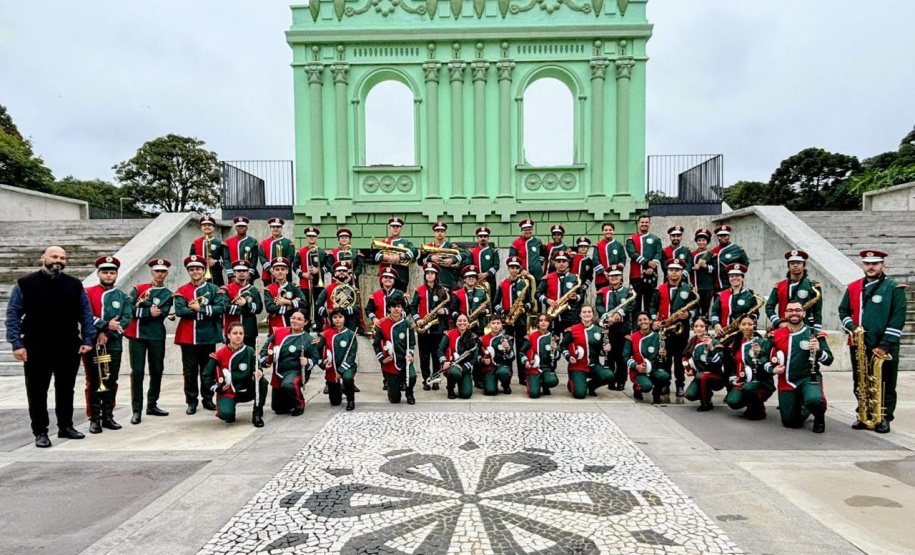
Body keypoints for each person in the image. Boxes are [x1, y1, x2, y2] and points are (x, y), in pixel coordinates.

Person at [6, 246, 96, 448]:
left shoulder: (74, 284)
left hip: (68, 345)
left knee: (66, 389)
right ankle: (40, 431)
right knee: (37, 391)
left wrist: (87, 339)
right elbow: (13, 315)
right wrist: (16, 344)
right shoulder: (25, 284)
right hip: (36, 346)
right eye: (54, 256)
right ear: (43, 258)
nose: (59, 260)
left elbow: (85, 313)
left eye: (63, 257)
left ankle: (66, 426)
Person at [838, 249, 907, 433]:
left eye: (875, 263)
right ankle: (863, 413)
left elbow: (898, 317)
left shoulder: (894, 288)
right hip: (859, 344)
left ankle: (884, 417)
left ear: (883, 265)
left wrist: (885, 345)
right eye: (867, 264)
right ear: (863, 265)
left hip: (885, 345)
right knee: (860, 381)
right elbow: (843, 311)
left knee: (886, 382)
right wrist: (852, 328)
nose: (870, 267)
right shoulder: (852, 287)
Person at [765, 301, 833, 433]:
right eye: (790, 310)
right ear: (785, 314)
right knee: (790, 423)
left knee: (814, 399)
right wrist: (771, 369)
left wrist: (818, 351)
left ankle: (819, 416)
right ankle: (805, 405)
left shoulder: (815, 334)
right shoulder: (776, 334)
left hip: (808, 378)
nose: (794, 313)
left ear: (804, 313)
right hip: (786, 380)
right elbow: (763, 356)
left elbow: (829, 360)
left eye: (797, 310)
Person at [83, 256, 133, 434]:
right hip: (91, 342)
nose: (109, 275)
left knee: (111, 380)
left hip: (113, 344)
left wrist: (108, 332)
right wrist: (104, 325)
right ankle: (94, 418)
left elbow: (126, 319)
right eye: (105, 272)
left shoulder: (123, 296)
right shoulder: (87, 293)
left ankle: (108, 415)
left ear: (116, 274)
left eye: (112, 272)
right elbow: (84, 316)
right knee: (95, 381)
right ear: (98, 273)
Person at [174, 255, 229, 415]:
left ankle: (207, 398)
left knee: (208, 370)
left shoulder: (214, 289)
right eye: (192, 269)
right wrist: (202, 311)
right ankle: (191, 401)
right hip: (188, 337)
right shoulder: (182, 290)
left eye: (198, 269)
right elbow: (179, 311)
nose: (195, 272)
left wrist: (200, 309)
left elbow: (221, 308)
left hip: (208, 335)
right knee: (189, 371)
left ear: (204, 271)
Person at [125, 258, 174, 424]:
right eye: (156, 271)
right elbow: (128, 307)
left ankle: (152, 404)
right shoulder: (138, 288)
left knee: (157, 370)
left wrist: (148, 309)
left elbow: (162, 313)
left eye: (163, 271)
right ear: (151, 272)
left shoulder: (168, 294)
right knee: (137, 372)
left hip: (156, 335)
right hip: (137, 335)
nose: (159, 274)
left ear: (166, 273)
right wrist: (146, 312)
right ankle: (136, 409)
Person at [203, 322, 267, 427]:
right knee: (226, 415)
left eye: (241, 333)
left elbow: (257, 367)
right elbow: (206, 375)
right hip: (228, 390)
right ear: (228, 335)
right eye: (235, 333)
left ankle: (257, 413)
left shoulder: (250, 351)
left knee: (263, 382)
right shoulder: (219, 354)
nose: (238, 336)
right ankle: (230, 408)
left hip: (246, 389)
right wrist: (217, 388)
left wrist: (258, 372)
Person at [650, 259, 697, 398]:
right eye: (671, 270)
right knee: (665, 358)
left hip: (681, 329)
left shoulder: (688, 289)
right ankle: (665, 384)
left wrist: (688, 314)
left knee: (679, 359)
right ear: (667, 272)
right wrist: (654, 320)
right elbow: (653, 306)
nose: (674, 273)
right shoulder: (659, 289)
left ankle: (680, 385)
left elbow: (696, 308)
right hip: (665, 329)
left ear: (682, 272)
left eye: (677, 270)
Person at [260, 310, 318, 416]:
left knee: (288, 384)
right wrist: (265, 360)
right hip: (279, 372)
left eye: (299, 319)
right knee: (278, 409)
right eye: (293, 318)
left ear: (305, 323)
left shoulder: (309, 339)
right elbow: (266, 347)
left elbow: (316, 358)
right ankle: (290, 400)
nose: (295, 321)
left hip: (296, 371)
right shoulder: (278, 332)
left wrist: (308, 361)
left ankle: (299, 404)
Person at [711, 263, 759, 378]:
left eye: (738, 275)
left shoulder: (750, 295)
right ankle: (730, 390)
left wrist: (748, 323)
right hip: (726, 335)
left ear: (742, 277)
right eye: (731, 276)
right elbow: (714, 312)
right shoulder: (722, 295)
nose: (734, 278)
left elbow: (756, 314)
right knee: (727, 364)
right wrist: (716, 325)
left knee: (741, 362)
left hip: (743, 335)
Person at [494, 256, 535, 386]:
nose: (514, 270)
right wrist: (502, 311)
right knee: (508, 349)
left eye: (516, 268)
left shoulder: (524, 284)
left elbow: (530, 303)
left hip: (521, 321)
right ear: (508, 269)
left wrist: (524, 308)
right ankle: (508, 376)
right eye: (512, 268)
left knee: (521, 349)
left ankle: (523, 377)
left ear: (519, 269)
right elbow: (495, 303)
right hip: (507, 321)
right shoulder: (502, 284)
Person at [723, 314, 773, 420]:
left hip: (760, 381)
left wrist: (760, 353)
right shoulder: (736, 342)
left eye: (750, 324)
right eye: (743, 324)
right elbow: (734, 365)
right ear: (739, 326)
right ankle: (752, 405)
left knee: (749, 388)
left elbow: (768, 362)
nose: (746, 327)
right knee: (733, 402)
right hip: (742, 380)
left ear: (754, 325)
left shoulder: (760, 342)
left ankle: (760, 408)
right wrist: (733, 380)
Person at [410, 262, 450, 391]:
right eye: (427, 273)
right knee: (424, 356)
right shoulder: (419, 290)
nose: (429, 275)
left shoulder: (442, 290)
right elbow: (412, 307)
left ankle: (435, 379)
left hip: (437, 329)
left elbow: (450, 307)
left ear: (436, 275)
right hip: (423, 328)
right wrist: (418, 319)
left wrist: (444, 311)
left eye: (432, 273)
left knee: (436, 356)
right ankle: (426, 380)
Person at [595, 264, 634, 391]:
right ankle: (611, 380)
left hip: (623, 328)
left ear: (621, 276)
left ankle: (621, 380)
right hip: (609, 328)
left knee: (622, 356)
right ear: (608, 277)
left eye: (616, 275)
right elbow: (599, 305)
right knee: (610, 355)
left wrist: (619, 314)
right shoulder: (603, 291)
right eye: (611, 276)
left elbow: (632, 305)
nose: (614, 278)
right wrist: (606, 315)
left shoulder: (628, 291)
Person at [561, 305, 614, 399]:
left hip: (593, 364)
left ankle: (590, 386)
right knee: (580, 395)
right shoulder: (572, 329)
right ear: (580, 314)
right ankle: (575, 383)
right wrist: (568, 357)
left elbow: (600, 351)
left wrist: (605, 349)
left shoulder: (599, 330)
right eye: (584, 312)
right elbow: (563, 345)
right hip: (577, 365)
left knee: (608, 375)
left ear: (593, 314)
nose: (587, 314)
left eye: (589, 312)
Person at [373, 297, 417, 404]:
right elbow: (376, 344)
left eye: (399, 306)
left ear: (402, 308)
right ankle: (392, 386)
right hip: (391, 362)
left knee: (412, 376)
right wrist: (382, 359)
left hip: (405, 360)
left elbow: (412, 343)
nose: (396, 309)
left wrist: (410, 354)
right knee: (395, 400)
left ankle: (409, 392)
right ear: (389, 308)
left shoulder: (408, 325)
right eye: (393, 307)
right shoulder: (382, 324)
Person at [766, 250, 823, 332]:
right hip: (784, 328)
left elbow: (818, 311)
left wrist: (817, 331)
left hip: (805, 327)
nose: (795, 265)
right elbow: (769, 307)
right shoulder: (779, 286)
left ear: (804, 265)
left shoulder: (813, 286)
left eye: (799, 263)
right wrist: (777, 322)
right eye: (792, 263)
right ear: (788, 266)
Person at [624, 311, 669, 404]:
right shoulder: (631, 337)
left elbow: (664, 359)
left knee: (664, 376)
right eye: (640, 320)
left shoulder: (659, 337)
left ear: (650, 321)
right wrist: (636, 366)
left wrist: (664, 354)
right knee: (646, 387)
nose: (642, 322)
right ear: (637, 323)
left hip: (653, 368)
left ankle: (656, 394)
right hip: (638, 370)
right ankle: (637, 388)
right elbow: (625, 357)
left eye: (645, 319)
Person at [682, 317, 726, 411]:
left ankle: (706, 403)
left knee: (702, 376)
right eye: (696, 326)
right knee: (689, 395)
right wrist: (688, 368)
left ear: (706, 328)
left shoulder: (714, 341)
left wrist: (711, 347)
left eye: (701, 326)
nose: (698, 328)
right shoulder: (692, 341)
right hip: (699, 376)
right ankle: (707, 393)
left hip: (716, 377)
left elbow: (718, 363)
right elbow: (685, 356)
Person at [320, 308, 359, 411]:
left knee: (347, 378)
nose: (338, 319)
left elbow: (352, 355)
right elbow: (317, 351)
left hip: (347, 366)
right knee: (335, 402)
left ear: (345, 319)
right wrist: (322, 363)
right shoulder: (326, 333)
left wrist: (341, 370)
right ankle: (340, 389)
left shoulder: (351, 334)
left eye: (340, 317)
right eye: (335, 317)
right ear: (331, 319)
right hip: (331, 367)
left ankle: (351, 400)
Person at [537, 251, 582, 337]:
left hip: (570, 316)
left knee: (569, 341)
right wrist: (547, 300)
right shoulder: (547, 278)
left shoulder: (574, 278)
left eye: (564, 261)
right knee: (553, 341)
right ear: (554, 264)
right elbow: (537, 294)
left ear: (568, 263)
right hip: (553, 316)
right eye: (558, 261)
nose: (561, 264)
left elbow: (582, 295)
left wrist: (576, 297)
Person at [625, 215, 663, 319]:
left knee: (649, 303)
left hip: (651, 275)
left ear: (649, 224)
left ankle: (649, 327)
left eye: (647, 222)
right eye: (642, 222)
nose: (644, 224)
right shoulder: (631, 239)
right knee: (634, 303)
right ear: (638, 224)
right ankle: (635, 328)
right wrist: (647, 263)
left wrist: (653, 266)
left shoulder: (655, 239)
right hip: (635, 276)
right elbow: (632, 253)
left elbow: (659, 253)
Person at [221, 260, 263, 348]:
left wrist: (245, 304)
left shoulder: (253, 290)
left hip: (249, 331)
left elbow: (259, 308)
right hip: (231, 330)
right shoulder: (226, 289)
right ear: (234, 273)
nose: (241, 273)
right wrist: (244, 308)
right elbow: (224, 307)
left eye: (244, 271)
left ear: (248, 273)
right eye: (238, 271)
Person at [294, 226, 328, 330]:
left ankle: (318, 326)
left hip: (318, 282)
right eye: (309, 236)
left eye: (313, 236)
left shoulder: (322, 252)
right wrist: (303, 274)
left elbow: (328, 267)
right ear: (306, 238)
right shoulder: (300, 252)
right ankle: (306, 326)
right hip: (305, 282)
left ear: (317, 237)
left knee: (318, 304)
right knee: (305, 306)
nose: (311, 238)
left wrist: (319, 271)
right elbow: (294, 266)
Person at [438, 313, 478, 400]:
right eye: (459, 321)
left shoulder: (473, 337)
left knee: (466, 394)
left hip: (465, 367)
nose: (462, 323)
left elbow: (475, 357)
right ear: (456, 323)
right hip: (452, 366)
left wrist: (463, 367)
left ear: (468, 323)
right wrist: (444, 362)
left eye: (464, 321)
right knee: (455, 373)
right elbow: (440, 350)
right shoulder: (449, 334)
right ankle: (450, 388)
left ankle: (462, 382)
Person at [520, 314, 561, 398]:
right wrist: (526, 362)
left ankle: (545, 384)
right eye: (541, 320)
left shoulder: (553, 337)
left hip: (546, 367)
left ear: (549, 323)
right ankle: (535, 382)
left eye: (545, 320)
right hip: (534, 367)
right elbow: (522, 352)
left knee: (553, 381)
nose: (543, 323)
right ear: (537, 323)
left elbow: (557, 357)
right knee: (534, 394)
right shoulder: (530, 336)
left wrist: (555, 349)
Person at [263, 257, 308, 334]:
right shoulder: (268, 289)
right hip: (276, 324)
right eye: (277, 269)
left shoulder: (294, 287)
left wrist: (287, 302)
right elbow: (269, 308)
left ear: (287, 271)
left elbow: (303, 303)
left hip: (292, 324)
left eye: (283, 269)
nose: (280, 272)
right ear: (273, 272)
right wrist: (290, 306)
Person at [374, 217, 417, 293]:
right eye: (393, 226)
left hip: (401, 277)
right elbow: (375, 256)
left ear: (401, 228)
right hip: (385, 276)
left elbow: (415, 252)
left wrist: (400, 256)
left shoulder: (406, 243)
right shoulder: (383, 242)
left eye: (397, 226)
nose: (395, 228)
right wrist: (385, 257)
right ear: (390, 228)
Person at [316, 260, 361, 332]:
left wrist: (342, 309)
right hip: (332, 324)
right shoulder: (328, 288)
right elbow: (318, 305)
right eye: (339, 270)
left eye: (344, 270)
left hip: (349, 325)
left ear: (347, 274)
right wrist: (328, 312)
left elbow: (357, 308)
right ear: (335, 273)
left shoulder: (353, 290)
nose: (341, 272)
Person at [420, 222, 462, 291]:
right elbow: (420, 262)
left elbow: (465, 254)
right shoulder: (428, 246)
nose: (439, 233)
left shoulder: (450, 246)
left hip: (447, 280)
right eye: (437, 231)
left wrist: (452, 260)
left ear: (445, 234)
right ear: (434, 233)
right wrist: (431, 258)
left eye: (442, 231)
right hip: (431, 282)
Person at [478, 314, 515, 395]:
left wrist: (508, 348)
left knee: (503, 372)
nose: (496, 325)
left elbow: (512, 357)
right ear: (489, 325)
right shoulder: (482, 339)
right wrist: (483, 360)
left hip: (502, 366)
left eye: (498, 323)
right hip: (489, 367)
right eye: (493, 323)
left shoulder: (507, 338)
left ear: (502, 325)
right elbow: (478, 356)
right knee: (490, 391)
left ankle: (505, 385)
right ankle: (489, 383)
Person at [710, 225, 750, 293]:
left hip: (731, 283)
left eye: (725, 235)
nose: (723, 238)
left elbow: (746, 263)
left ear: (729, 236)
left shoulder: (737, 249)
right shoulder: (714, 250)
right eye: (720, 236)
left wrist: (737, 275)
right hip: (717, 285)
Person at [452, 265, 490, 333]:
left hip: (478, 326)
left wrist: (484, 311)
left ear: (476, 279)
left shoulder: (482, 292)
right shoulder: (457, 293)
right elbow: (453, 311)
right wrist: (461, 319)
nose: (471, 279)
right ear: (464, 279)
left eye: (473, 277)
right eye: (469, 277)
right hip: (462, 327)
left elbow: (488, 310)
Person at [222, 216, 259, 284]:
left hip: (247, 274)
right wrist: (231, 275)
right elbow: (226, 259)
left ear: (247, 228)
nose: (241, 227)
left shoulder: (253, 241)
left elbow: (254, 259)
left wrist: (250, 274)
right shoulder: (228, 242)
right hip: (233, 274)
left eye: (243, 226)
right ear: (236, 228)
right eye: (239, 226)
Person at [259, 217, 296, 284]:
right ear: (270, 228)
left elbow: (290, 257)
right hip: (268, 275)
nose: (275, 229)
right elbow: (261, 257)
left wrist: (280, 270)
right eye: (273, 227)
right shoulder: (264, 243)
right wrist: (270, 269)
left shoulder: (288, 243)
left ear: (281, 228)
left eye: (278, 227)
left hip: (284, 275)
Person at [509, 219, 547, 284]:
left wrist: (539, 263)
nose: (527, 232)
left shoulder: (538, 242)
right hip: (522, 276)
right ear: (521, 230)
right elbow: (512, 260)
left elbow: (543, 253)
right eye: (525, 230)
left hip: (537, 276)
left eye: (529, 229)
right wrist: (521, 270)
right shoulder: (516, 243)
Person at [190, 215, 224, 286]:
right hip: (199, 277)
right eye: (204, 225)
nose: (207, 227)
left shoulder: (219, 243)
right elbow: (191, 260)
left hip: (216, 276)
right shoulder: (195, 243)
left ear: (213, 228)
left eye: (209, 225)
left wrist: (215, 262)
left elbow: (226, 261)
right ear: (201, 228)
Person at [464, 226, 500, 294]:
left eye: (485, 236)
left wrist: (486, 274)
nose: (483, 238)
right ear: (478, 238)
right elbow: (469, 266)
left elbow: (496, 266)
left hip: (490, 281)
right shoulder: (472, 251)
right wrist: (476, 276)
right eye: (481, 236)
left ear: (488, 238)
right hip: (475, 281)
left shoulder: (493, 252)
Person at [592, 222, 626, 291]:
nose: (608, 232)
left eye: (610, 230)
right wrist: (604, 273)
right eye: (606, 230)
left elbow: (623, 259)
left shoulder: (618, 245)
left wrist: (616, 272)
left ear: (613, 231)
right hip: (601, 279)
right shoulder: (598, 245)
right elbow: (595, 260)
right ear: (602, 232)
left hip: (616, 278)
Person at [689, 228, 715, 318]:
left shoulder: (711, 254)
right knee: (695, 307)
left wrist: (705, 266)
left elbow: (715, 269)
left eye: (703, 240)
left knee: (705, 308)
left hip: (707, 285)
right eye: (699, 240)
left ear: (707, 241)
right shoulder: (692, 254)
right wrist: (693, 267)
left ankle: (705, 325)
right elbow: (688, 267)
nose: (701, 242)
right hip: (696, 285)